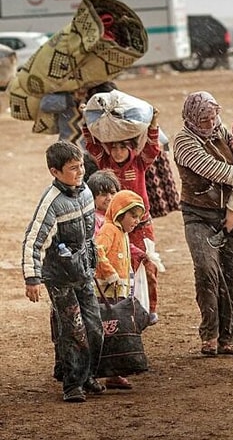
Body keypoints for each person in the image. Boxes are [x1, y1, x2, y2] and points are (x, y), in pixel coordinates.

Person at [22, 141, 104, 402]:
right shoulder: (51, 203)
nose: (80, 172)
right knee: (72, 331)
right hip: (59, 278)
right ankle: (72, 385)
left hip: (83, 272)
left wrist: (94, 261)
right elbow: (34, 240)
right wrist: (32, 278)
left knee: (95, 328)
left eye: (81, 166)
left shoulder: (87, 192)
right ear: (54, 172)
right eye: (72, 168)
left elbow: (90, 237)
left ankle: (88, 375)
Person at [174, 92, 233, 357]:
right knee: (206, 270)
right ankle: (210, 334)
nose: (210, 122)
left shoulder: (222, 130)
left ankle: (227, 337)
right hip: (198, 214)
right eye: (205, 118)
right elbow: (222, 171)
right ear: (192, 117)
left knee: (232, 273)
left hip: (232, 214)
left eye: (213, 116)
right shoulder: (183, 142)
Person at [82, 102, 162, 324]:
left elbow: (153, 147)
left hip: (142, 224)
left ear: (130, 148)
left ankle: (149, 310)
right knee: (122, 267)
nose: (117, 152)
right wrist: (85, 120)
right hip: (115, 226)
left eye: (122, 147)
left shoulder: (139, 163)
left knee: (148, 267)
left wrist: (153, 122)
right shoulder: (104, 162)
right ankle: (123, 309)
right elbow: (91, 144)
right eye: (114, 147)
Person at [93, 189, 145, 389]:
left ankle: (114, 373)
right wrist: (110, 273)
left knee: (115, 333)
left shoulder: (121, 232)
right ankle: (100, 370)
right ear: (119, 213)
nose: (136, 221)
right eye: (133, 215)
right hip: (106, 294)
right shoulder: (109, 230)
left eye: (139, 217)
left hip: (117, 292)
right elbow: (97, 251)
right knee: (107, 331)